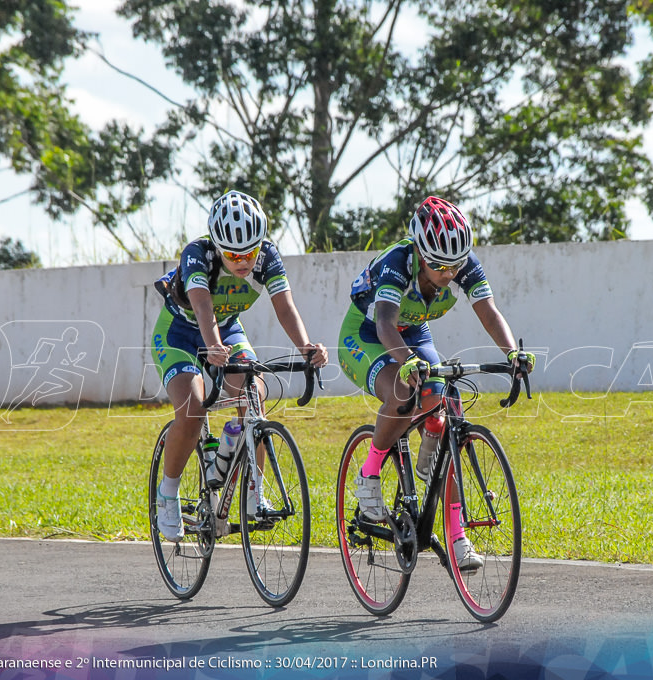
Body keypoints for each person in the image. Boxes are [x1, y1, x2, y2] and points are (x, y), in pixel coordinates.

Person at [337, 196, 534, 571]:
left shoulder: (462, 264)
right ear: (420, 251)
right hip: (367, 333)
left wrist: (512, 353)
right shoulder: (398, 263)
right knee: (403, 390)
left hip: (413, 332)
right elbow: (384, 325)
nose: (448, 274)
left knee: (445, 405)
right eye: (439, 265)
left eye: (455, 265)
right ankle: (370, 471)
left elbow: (488, 311)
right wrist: (407, 361)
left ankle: (457, 535)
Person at [151, 190, 328, 542]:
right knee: (192, 409)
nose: (243, 260)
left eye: (250, 251)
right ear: (217, 246)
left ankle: (252, 490)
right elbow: (203, 307)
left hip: (228, 328)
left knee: (254, 397)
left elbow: (285, 307)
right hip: (180, 333)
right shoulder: (197, 254)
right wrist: (212, 346)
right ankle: (167, 494)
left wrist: (305, 346)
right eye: (233, 254)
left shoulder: (267, 257)